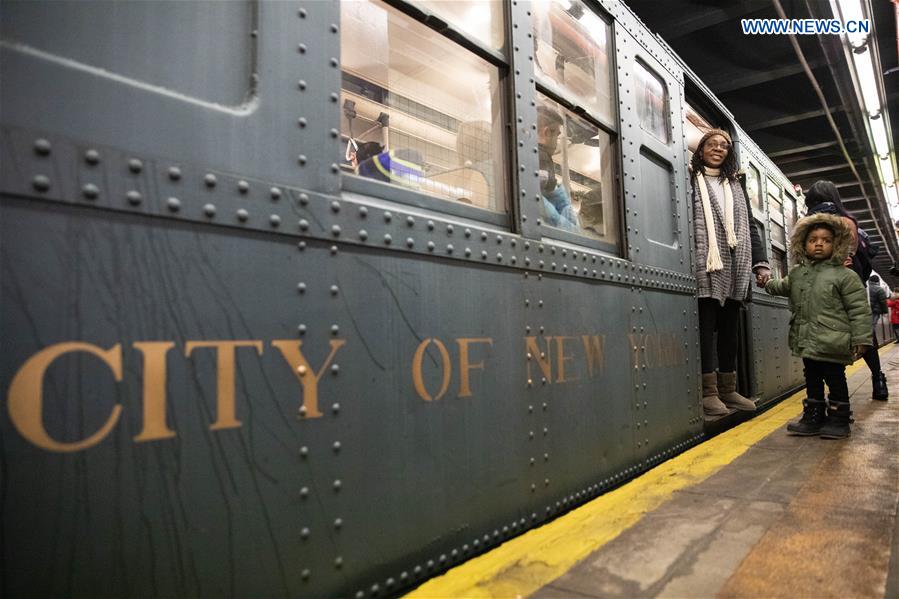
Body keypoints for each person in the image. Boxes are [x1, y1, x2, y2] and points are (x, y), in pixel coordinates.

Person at [765, 214, 871, 438]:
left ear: (837, 244)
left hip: (833, 342)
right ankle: (813, 416)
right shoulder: (798, 274)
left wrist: (861, 339)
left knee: (835, 378)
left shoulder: (845, 276)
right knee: (812, 377)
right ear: (803, 244)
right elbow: (781, 286)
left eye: (826, 240)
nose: (819, 244)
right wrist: (766, 282)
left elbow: (859, 310)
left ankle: (839, 419)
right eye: (813, 240)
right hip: (806, 339)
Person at [691, 129, 770, 418]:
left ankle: (728, 388)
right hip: (706, 262)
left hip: (736, 264)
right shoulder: (691, 179)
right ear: (701, 151)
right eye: (712, 144)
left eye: (724, 146)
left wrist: (760, 261)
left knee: (729, 330)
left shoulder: (736, 184)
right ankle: (708, 392)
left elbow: (749, 225)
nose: (718, 149)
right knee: (706, 327)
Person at [805, 180, 889, 401]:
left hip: (829, 286)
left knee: (829, 335)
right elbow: (849, 255)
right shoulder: (848, 220)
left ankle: (834, 396)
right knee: (862, 333)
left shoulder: (810, 223)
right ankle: (878, 379)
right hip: (852, 283)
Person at [537, 105, 578, 231]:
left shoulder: (542, 156)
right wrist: (567, 227)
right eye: (557, 135)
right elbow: (539, 199)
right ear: (546, 132)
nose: (557, 141)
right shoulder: (541, 156)